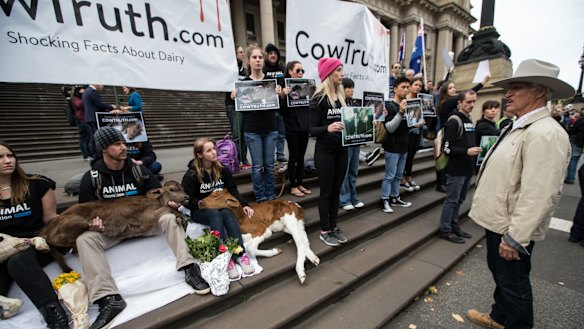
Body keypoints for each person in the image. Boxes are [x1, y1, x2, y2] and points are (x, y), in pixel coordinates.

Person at [466, 59, 574, 329]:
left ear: (539, 91)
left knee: (514, 286)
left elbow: (540, 192)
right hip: (502, 221)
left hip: (511, 227)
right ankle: (499, 317)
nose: (508, 93)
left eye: (517, 87)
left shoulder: (546, 134)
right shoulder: (521, 126)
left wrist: (517, 237)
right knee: (504, 278)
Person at [77, 127, 210, 329]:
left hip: (145, 222)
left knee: (169, 218)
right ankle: (108, 298)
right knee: (83, 240)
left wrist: (171, 205)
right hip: (113, 229)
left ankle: (190, 269)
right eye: (117, 144)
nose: (124, 147)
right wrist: (93, 223)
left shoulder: (140, 170)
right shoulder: (92, 178)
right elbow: (85, 210)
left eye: (123, 143)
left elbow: (160, 197)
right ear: (104, 148)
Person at [0, 142, 69, 328]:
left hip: (39, 241)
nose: (7, 161)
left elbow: (51, 219)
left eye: (10, 155)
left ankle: (57, 318)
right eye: (0, 157)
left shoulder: (37, 184)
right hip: (4, 247)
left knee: (18, 261)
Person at [181, 138, 255, 279]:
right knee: (215, 214)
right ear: (199, 155)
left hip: (221, 206)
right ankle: (224, 256)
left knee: (227, 212)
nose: (214, 152)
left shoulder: (222, 169)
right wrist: (201, 203)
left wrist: (244, 204)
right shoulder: (191, 175)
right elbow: (186, 199)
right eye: (209, 150)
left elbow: (232, 189)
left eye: (214, 149)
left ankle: (239, 253)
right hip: (200, 211)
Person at [231, 45, 281, 202]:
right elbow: (243, 110)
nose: (258, 60)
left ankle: (271, 195)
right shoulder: (244, 84)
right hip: (252, 130)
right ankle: (261, 196)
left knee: (270, 166)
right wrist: (235, 98)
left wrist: (280, 95)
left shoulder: (271, 83)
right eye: (254, 57)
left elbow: (277, 108)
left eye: (260, 57)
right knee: (257, 167)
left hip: (270, 129)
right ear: (249, 61)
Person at [309, 57, 348, 247]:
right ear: (329, 73)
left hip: (342, 151)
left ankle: (333, 226)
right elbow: (311, 129)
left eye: (342, 70)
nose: (342, 73)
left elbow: (347, 123)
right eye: (339, 70)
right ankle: (325, 230)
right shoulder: (318, 99)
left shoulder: (342, 98)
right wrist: (328, 128)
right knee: (326, 192)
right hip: (325, 152)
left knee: (336, 191)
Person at [438, 90, 481, 243]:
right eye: (468, 102)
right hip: (455, 170)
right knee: (451, 201)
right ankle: (445, 230)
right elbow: (447, 148)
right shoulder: (454, 121)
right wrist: (466, 151)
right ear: (460, 102)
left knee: (459, 200)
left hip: (467, 169)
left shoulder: (468, 120)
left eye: (474, 101)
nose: (472, 105)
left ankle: (454, 226)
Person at [435, 74, 490, 192]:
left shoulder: (453, 105)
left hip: (455, 132)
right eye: (450, 88)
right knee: (443, 158)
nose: (453, 89)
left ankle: (443, 182)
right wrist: (482, 83)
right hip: (446, 132)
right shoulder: (447, 102)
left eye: (454, 87)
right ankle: (440, 183)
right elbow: (468, 95)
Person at [380, 77, 413, 214]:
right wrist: (400, 112)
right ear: (395, 89)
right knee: (390, 175)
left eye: (407, 87)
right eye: (403, 87)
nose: (406, 90)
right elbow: (390, 128)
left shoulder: (407, 106)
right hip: (392, 147)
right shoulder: (389, 106)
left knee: (399, 175)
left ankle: (395, 197)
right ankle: (385, 199)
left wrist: (415, 123)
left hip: (404, 146)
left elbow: (405, 127)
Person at [280, 60, 312, 197]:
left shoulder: (305, 86)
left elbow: (309, 107)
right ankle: (293, 185)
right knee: (293, 157)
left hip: (304, 127)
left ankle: (300, 183)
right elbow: (281, 111)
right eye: (298, 71)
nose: (300, 73)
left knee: (301, 157)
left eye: (302, 71)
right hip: (292, 128)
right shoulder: (284, 88)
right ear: (290, 71)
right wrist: (283, 96)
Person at [339, 78, 364, 210]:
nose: (352, 90)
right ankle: (344, 199)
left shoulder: (354, 103)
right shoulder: (338, 103)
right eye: (349, 87)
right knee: (345, 171)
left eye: (352, 87)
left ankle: (353, 196)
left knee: (353, 171)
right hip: (344, 141)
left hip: (355, 140)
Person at [225, 45, 250, 169]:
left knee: (244, 134)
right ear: (234, 54)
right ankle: (238, 160)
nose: (243, 54)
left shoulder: (245, 71)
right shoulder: (228, 70)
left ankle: (244, 160)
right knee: (237, 135)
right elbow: (221, 85)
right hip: (233, 106)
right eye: (240, 52)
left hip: (244, 105)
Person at [401, 77, 426, 192]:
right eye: (416, 85)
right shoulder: (404, 100)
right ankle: (402, 179)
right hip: (406, 133)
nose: (418, 87)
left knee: (411, 157)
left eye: (420, 86)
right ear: (410, 86)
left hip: (417, 133)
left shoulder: (420, 101)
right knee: (404, 157)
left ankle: (408, 177)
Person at [263, 43, 287, 162]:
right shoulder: (263, 69)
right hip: (268, 107)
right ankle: (270, 156)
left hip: (281, 107)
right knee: (270, 134)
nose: (273, 55)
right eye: (270, 53)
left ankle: (280, 154)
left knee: (281, 133)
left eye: (275, 53)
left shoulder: (283, 69)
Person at [82, 84, 119, 158]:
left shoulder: (86, 91)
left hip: (89, 117)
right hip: (94, 117)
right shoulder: (92, 91)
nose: (103, 86)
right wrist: (111, 107)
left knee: (93, 136)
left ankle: (95, 154)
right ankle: (97, 155)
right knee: (97, 136)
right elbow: (99, 104)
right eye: (101, 84)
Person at [474, 100, 501, 172]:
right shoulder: (482, 125)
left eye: (495, 108)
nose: (493, 110)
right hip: (480, 160)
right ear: (483, 112)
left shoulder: (493, 124)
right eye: (490, 108)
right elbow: (498, 134)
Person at [70, 85, 93, 161]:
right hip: (81, 120)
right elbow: (80, 105)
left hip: (86, 119)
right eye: (82, 89)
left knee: (89, 137)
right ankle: (86, 155)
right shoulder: (74, 98)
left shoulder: (81, 97)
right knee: (84, 138)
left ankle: (90, 153)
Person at [564, 109, 584, 184]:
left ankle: (570, 177)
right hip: (580, 142)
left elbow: (573, 130)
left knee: (573, 160)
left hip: (578, 142)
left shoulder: (581, 120)